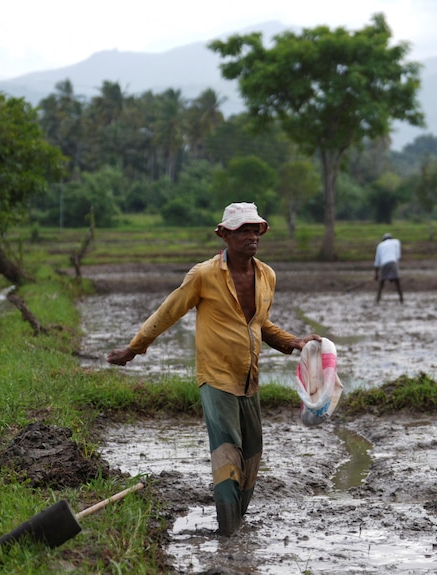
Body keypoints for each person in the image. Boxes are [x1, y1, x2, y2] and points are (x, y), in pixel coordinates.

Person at [106, 202, 319, 537]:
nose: (251, 237)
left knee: (252, 455)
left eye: (254, 230)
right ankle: (227, 532)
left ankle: (236, 523)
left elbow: (260, 324)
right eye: (242, 230)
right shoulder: (203, 275)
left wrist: (295, 342)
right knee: (227, 452)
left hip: (248, 378)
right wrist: (135, 348)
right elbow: (168, 312)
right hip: (216, 377)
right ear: (224, 234)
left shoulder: (266, 275)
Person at [374, 232, 403, 303]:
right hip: (393, 263)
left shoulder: (380, 245)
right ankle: (401, 299)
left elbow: (377, 261)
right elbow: (398, 256)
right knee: (397, 282)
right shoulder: (396, 242)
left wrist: (376, 274)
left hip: (384, 264)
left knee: (381, 283)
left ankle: (377, 300)